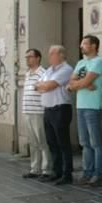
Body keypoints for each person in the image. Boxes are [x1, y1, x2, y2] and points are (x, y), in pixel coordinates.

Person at [68, 35, 102, 187]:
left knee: (96, 142)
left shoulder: (99, 62)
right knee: (84, 142)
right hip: (81, 105)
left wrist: (80, 84)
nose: (81, 46)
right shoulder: (81, 63)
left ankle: (98, 174)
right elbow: (70, 83)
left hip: (93, 106)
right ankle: (87, 172)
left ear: (93, 46)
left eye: (84, 44)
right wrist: (82, 84)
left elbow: (84, 81)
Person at [36, 45, 74, 185]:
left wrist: (43, 85)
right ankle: (56, 171)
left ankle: (67, 173)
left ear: (61, 55)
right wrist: (43, 85)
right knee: (52, 142)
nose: (49, 56)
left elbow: (48, 86)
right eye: (50, 53)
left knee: (62, 142)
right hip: (48, 109)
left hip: (60, 109)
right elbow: (37, 86)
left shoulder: (66, 69)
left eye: (52, 53)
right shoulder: (48, 70)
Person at [21, 48, 50, 180]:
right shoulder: (27, 73)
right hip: (27, 111)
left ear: (38, 58)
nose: (27, 59)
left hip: (39, 111)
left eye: (30, 57)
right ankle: (34, 168)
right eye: (26, 57)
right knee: (33, 142)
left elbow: (45, 90)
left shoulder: (43, 73)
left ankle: (46, 169)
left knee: (42, 141)